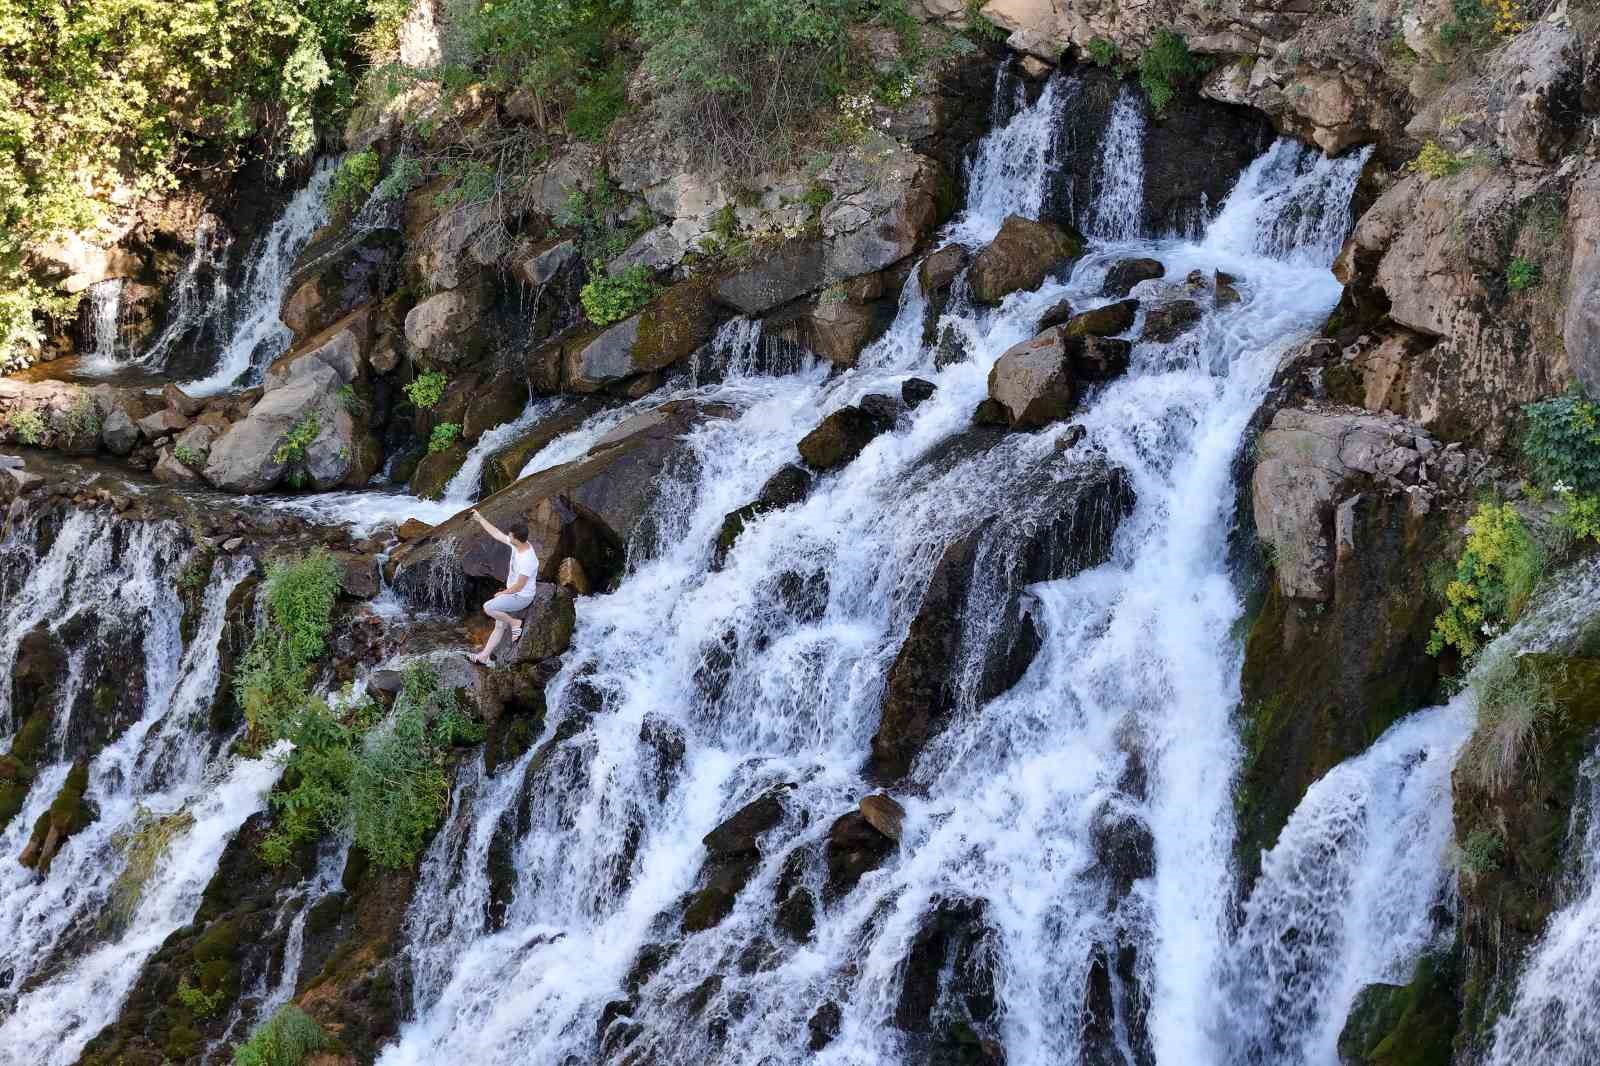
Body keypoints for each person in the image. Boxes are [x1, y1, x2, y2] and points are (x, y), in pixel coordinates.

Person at [466, 509, 540, 665]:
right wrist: (480, 518)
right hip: (512, 593)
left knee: (488, 607)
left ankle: (515, 623)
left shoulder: (527, 560)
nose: (508, 536)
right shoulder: (518, 545)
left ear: (517, 539)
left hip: (521, 596)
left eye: (510, 535)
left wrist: (502, 594)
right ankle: (483, 656)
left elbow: (519, 586)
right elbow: (497, 534)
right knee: (499, 625)